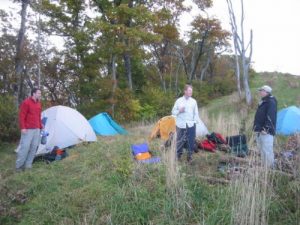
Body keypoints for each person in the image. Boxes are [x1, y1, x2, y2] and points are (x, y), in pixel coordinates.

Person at [172, 84, 201, 162]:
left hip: (191, 125)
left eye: (191, 91)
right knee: (180, 141)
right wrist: (179, 111)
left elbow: (196, 113)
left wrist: (194, 122)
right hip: (181, 124)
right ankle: (178, 157)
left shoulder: (194, 101)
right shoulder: (179, 101)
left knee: (191, 141)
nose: (191, 92)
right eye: (189, 90)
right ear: (185, 91)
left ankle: (190, 157)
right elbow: (173, 112)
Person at [16, 88, 43, 171]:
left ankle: (28, 165)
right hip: (27, 129)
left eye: (40, 93)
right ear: (33, 94)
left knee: (34, 147)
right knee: (25, 147)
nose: (40, 95)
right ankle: (19, 166)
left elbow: (38, 116)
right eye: (39, 93)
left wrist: (41, 126)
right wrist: (23, 127)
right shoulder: (26, 102)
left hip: (37, 129)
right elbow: (21, 116)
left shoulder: (39, 103)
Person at [253, 85, 277, 168]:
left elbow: (271, 116)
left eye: (261, 91)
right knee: (262, 150)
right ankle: (265, 167)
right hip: (260, 130)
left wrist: (266, 129)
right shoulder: (264, 101)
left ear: (266, 92)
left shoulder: (271, 102)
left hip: (266, 132)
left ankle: (270, 168)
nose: (260, 92)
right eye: (260, 90)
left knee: (267, 150)